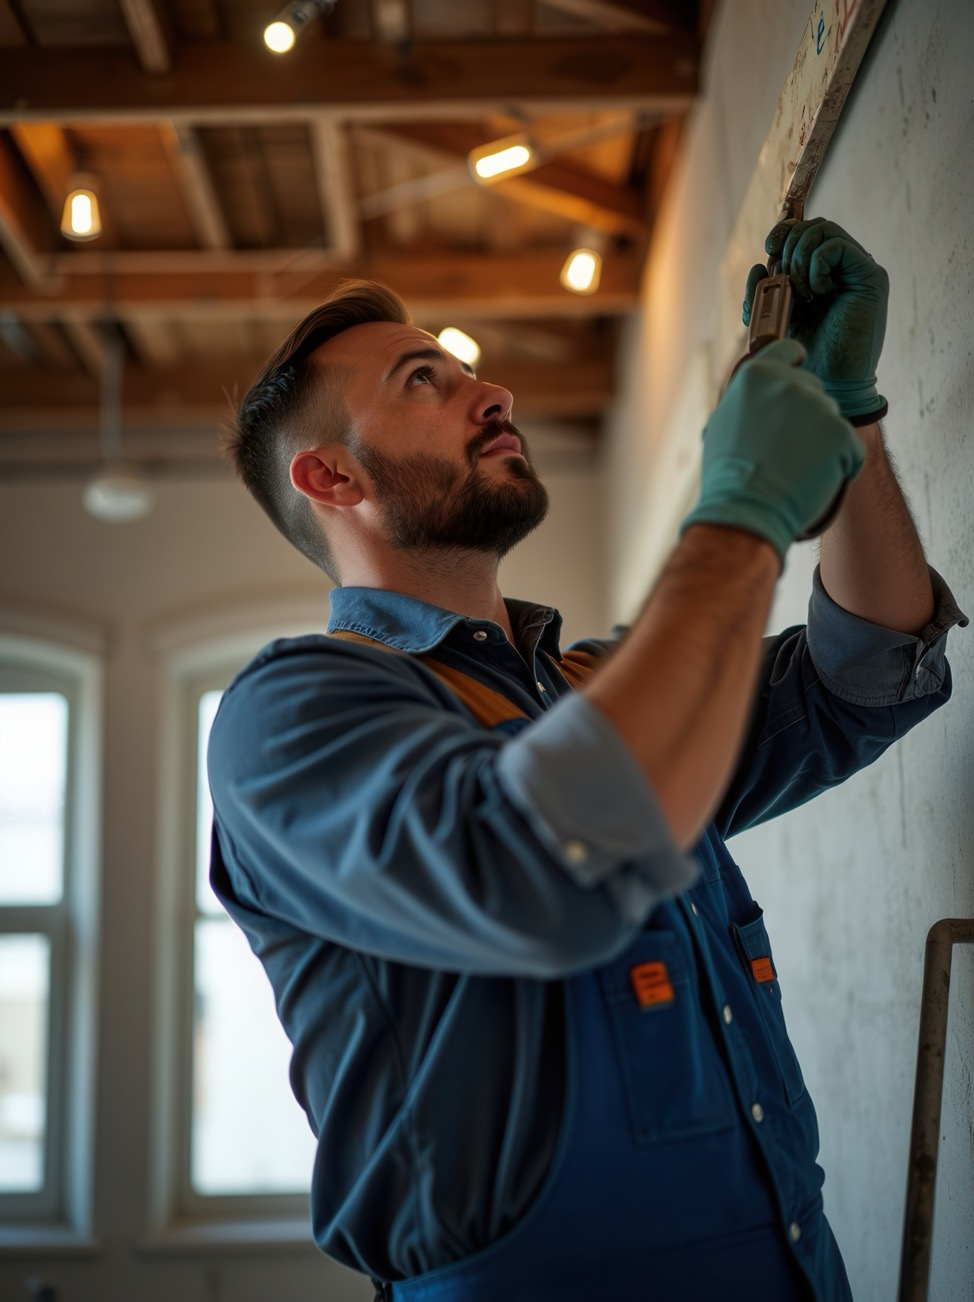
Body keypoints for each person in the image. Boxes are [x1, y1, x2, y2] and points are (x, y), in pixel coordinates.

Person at [207, 217, 965, 1301]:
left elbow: (867, 667)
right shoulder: (288, 715)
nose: (492, 392)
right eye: (426, 380)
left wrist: (851, 427)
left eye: (471, 371)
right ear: (330, 476)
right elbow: (535, 868)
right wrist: (739, 509)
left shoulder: (596, 687)